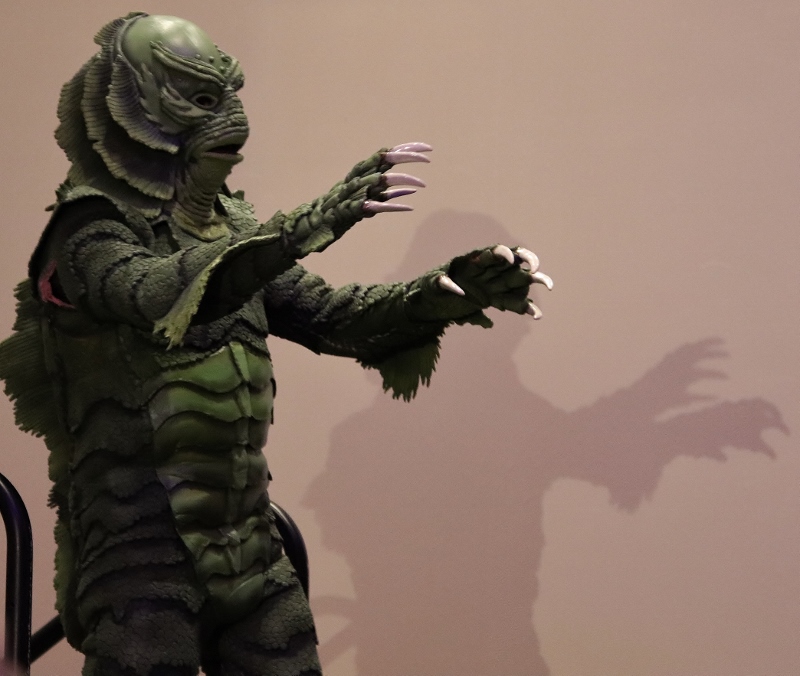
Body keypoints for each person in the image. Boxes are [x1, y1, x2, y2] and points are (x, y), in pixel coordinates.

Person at [0, 13, 551, 676]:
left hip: (248, 545)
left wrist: (447, 291)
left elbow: (335, 319)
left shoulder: (233, 228)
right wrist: (298, 230)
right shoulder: (87, 230)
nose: (233, 119)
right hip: (138, 551)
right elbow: (154, 295)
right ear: (132, 105)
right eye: (201, 98)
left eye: (228, 94)